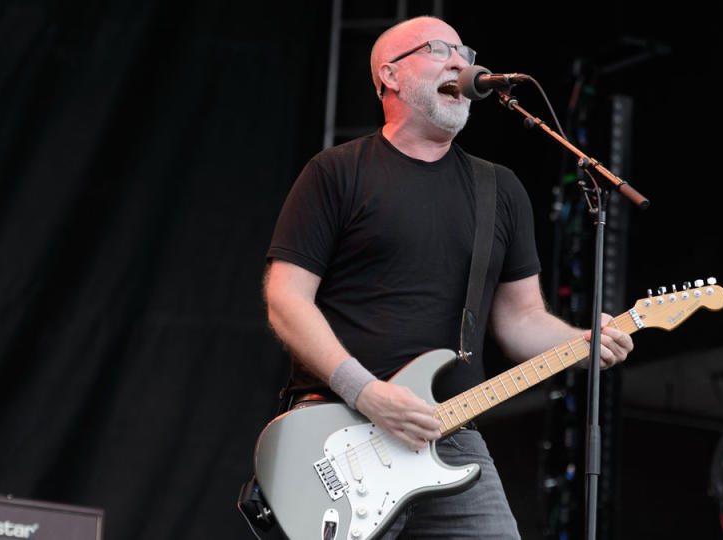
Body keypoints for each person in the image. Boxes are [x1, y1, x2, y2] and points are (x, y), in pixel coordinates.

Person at [263, 15, 633, 539]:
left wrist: (583, 340)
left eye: (465, 50)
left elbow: (521, 319)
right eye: (439, 49)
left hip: (449, 434)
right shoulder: (336, 173)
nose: (462, 62)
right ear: (390, 76)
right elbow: (286, 299)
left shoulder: (500, 190)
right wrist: (367, 392)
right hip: (338, 430)